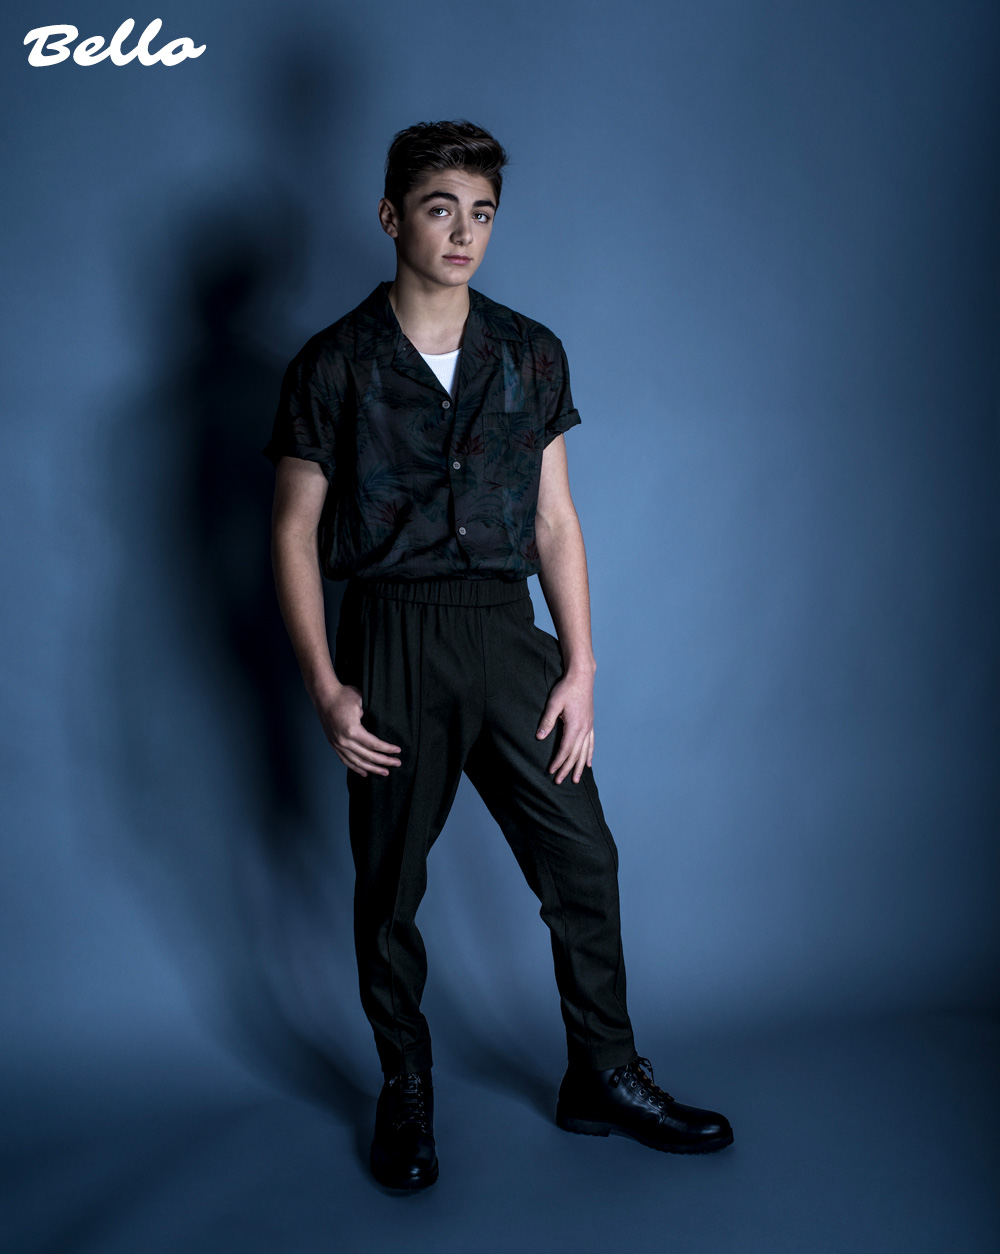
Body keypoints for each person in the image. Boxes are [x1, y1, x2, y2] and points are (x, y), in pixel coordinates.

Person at [263, 119, 733, 1190]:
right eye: (442, 210)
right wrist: (326, 687)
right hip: (390, 638)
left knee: (583, 858)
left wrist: (581, 668)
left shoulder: (529, 351)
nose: (463, 232)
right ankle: (405, 1089)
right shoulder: (333, 364)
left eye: (481, 213)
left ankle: (602, 1073)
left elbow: (556, 522)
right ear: (391, 217)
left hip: (507, 634)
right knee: (390, 887)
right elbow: (291, 531)